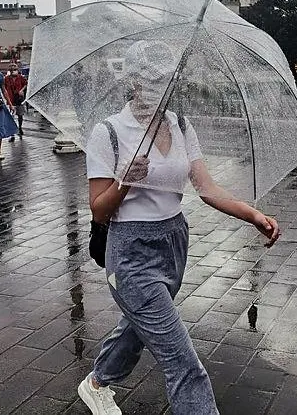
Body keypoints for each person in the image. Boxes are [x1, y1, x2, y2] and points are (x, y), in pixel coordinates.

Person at [78, 40, 280, 415]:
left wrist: (252, 214)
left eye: (167, 79)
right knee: (182, 361)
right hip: (130, 253)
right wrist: (125, 181)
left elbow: (207, 189)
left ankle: (97, 382)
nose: (160, 86)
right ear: (134, 80)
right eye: (151, 79)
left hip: (173, 242)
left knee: (141, 324)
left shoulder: (181, 125)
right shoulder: (108, 132)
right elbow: (99, 211)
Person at [4, 62, 27, 140]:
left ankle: (20, 127)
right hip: (11, 100)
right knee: (11, 116)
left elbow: (26, 84)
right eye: (12, 70)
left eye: (15, 69)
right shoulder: (6, 79)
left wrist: (22, 90)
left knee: (20, 115)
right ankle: (12, 133)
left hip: (19, 99)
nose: (14, 71)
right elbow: (4, 88)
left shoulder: (21, 77)